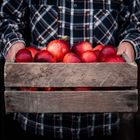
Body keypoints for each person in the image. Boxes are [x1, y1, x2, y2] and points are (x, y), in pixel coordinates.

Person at [0, 0, 140, 139]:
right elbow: (7, 17)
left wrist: (129, 44)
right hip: (37, 118)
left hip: (101, 120)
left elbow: (135, 23)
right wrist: (14, 45)